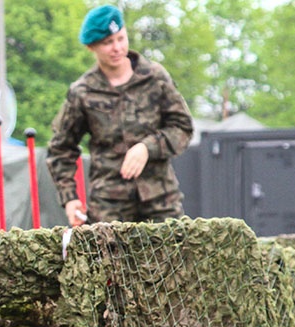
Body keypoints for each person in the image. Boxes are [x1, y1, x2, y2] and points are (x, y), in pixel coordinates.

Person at [46, 4, 193, 226]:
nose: (117, 47)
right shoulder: (83, 92)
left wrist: (147, 147)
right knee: (109, 261)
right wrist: (70, 198)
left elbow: (182, 127)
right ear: (91, 47)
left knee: (172, 258)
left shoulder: (155, 77)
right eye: (108, 43)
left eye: (121, 38)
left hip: (160, 202)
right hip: (109, 209)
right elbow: (60, 148)